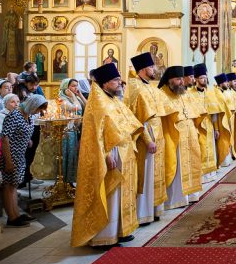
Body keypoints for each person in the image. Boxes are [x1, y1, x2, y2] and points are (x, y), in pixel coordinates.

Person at [71, 63, 144, 248]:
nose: (119, 83)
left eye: (119, 79)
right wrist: (106, 155)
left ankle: (121, 230)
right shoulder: (98, 103)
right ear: (105, 83)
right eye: (115, 80)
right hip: (111, 154)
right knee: (111, 195)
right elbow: (96, 135)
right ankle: (105, 236)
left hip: (124, 152)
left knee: (121, 195)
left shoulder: (114, 100)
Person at [127, 52, 170, 224]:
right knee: (146, 174)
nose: (155, 69)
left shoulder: (150, 87)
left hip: (157, 133)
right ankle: (143, 213)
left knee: (156, 173)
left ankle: (154, 209)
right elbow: (136, 118)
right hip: (146, 137)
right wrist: (147, 140)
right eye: (152, 66)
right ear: (144, 69)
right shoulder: (136, 88)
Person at [0, 95, 45, 227]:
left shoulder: (29, 115)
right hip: (10, 155)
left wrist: (27, 139)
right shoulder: (14, 115)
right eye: (37, 109)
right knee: (8, 186)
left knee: (14, 186)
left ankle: (16, 214)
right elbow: (5, 138)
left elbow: (23, 131)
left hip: (20, 155)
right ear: (32, 105)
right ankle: (12, 217)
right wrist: (8, 161)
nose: (37, 112)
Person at [159, 66, 203, 208]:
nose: (181, 82)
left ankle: (191, 195)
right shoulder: (162, 95)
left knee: (191, 163)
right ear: (169, 80)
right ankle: (176, 199)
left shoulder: (183, 93)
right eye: (178, 79)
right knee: (177, 167)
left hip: (189, 134)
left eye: (182, 79)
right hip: (174, 136)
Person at [58, 78, 86, 184]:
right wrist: (73, 96)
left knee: (73, 156)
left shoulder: (75, 97)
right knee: (67, 156)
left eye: (76, 85)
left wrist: (80, 95)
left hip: (74, 130)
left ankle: (70, 181)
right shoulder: (62, 99)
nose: (75, 88)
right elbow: (77, 108)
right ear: (66, 87)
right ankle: (65, 182)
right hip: (66, 131)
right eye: (73, 86)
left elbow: (88, 106)